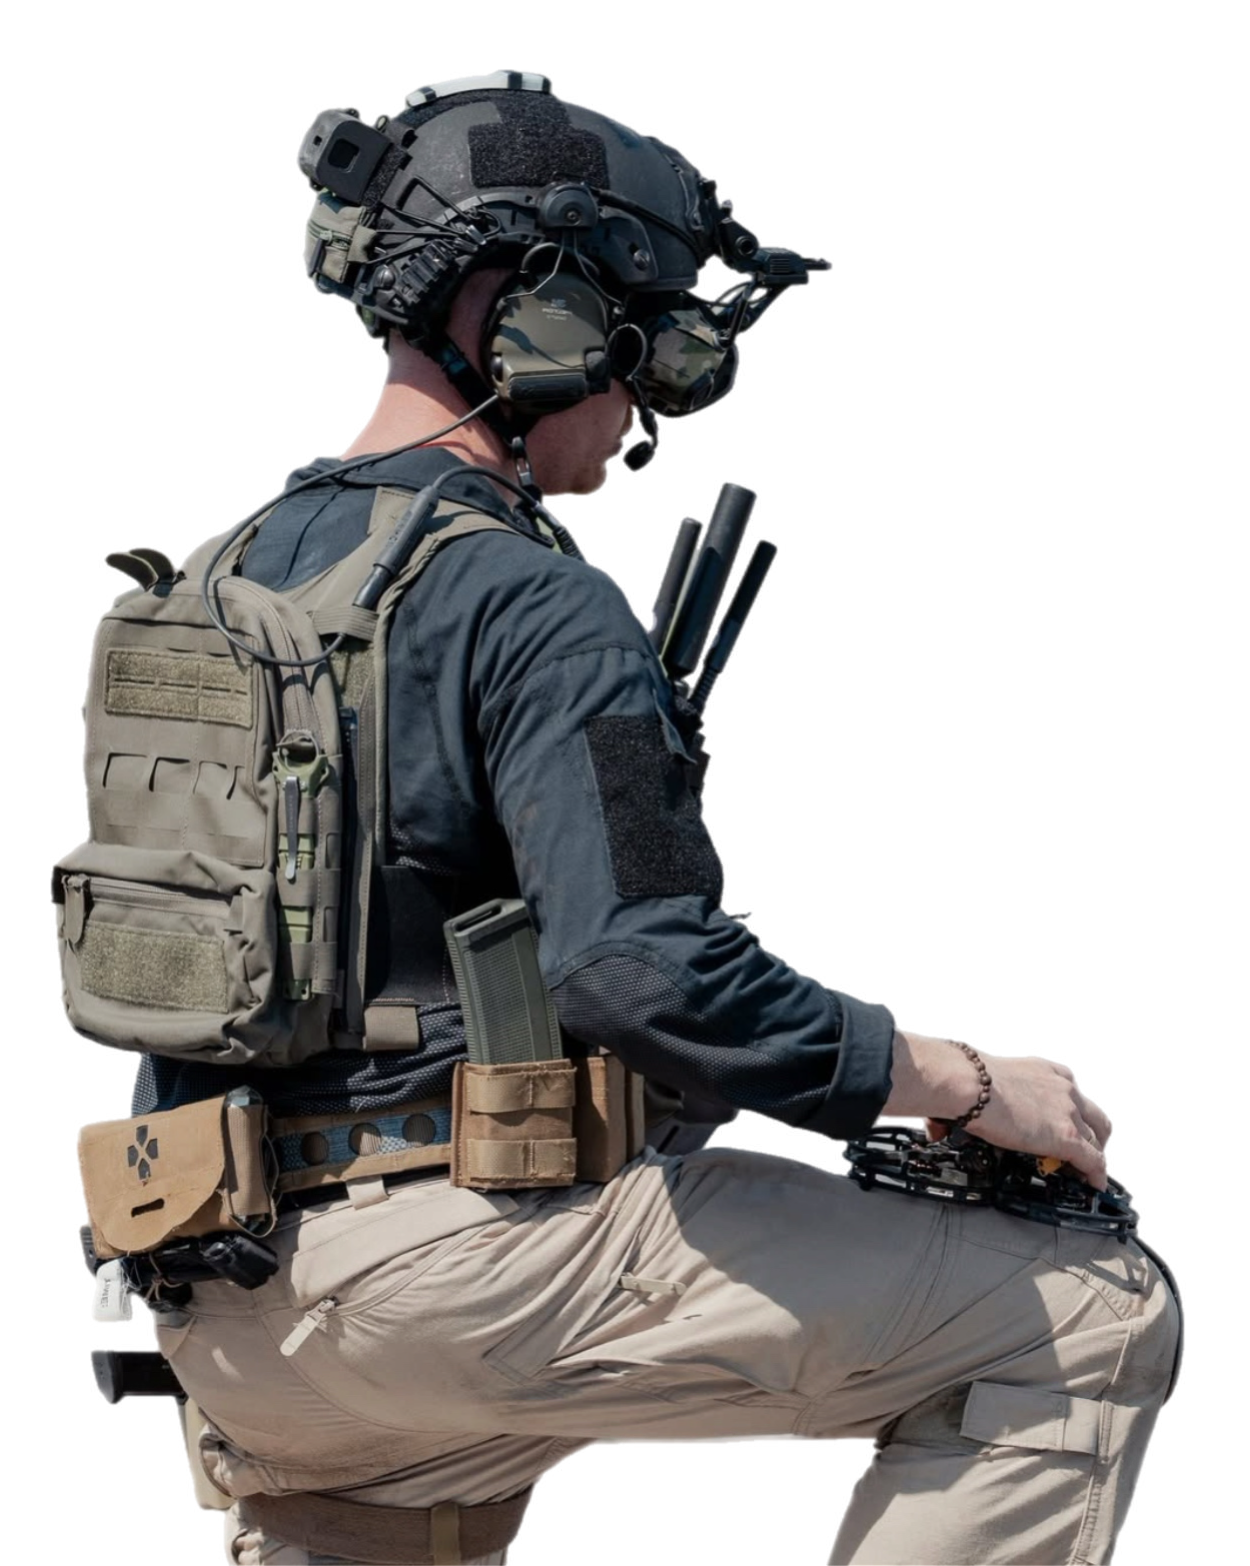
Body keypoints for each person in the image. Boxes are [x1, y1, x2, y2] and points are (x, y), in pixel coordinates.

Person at [95, 75, 1181, 1566]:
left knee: (392, 1513)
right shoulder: (532, 596)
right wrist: (964, 1083)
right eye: (642, 351)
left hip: (218, 1317)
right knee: (1083, 1311)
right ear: (538, 322)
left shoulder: (215, 577)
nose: (637, 421)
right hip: (457, 1282)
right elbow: (645, 972)